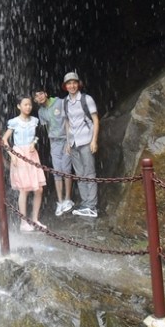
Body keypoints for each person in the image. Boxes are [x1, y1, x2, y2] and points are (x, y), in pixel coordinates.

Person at [3, 95, 46, 232]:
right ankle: (23, 222)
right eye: (25, 104)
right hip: (19, 154)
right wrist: (12, 155)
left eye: (30, 105)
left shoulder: (34, 120)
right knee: (24, 189)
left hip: (32, 154)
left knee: (39, 188)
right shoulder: (14, 122)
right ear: (19, 106)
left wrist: (34, 143)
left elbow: (38, 135)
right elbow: (4, 140)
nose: (28, 107)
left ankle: (35, 219)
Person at [63, 72, 99, 218]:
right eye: (69, 83)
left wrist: (94, 140)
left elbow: (96, 120)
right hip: (73, 143)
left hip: (86, 141)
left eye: (74, 83)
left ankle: (92, 205)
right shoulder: (65, 101)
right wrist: (67, 141)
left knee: (89, 172)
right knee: (79, 174)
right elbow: (67, 123)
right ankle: (85, 203)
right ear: (65, 86)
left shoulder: (86, 99)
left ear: (78, 84)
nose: (72, 86)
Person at [35, 89, 74, 216]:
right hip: (54, 142)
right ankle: (60, 201)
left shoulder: (59, 102)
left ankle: (68, 199)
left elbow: (68, 121)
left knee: (66, 169)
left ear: (46, 94)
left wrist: (69, 141)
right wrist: (51, 145)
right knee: (57, 171)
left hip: (65, 140)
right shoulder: (41, 112)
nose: (39, 97)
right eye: (36, 96)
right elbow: (47, 128)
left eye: (41, 93)